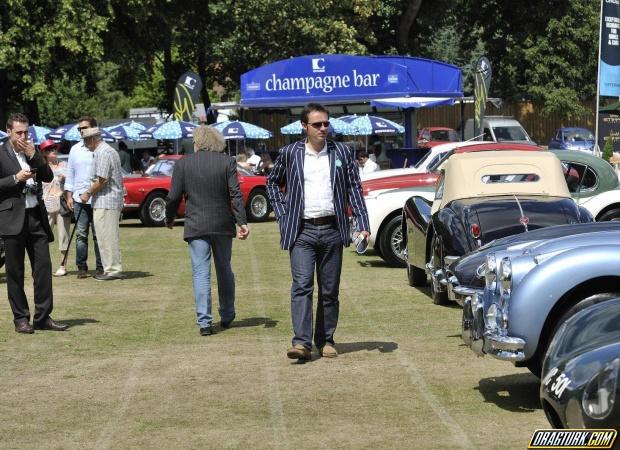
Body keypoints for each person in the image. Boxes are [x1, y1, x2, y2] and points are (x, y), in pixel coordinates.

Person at [266, 103, 370, 360]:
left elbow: (354, 188)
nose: (323, 128)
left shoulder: (342, 152)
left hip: (333, 228)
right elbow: (271, 183)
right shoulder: (290, 153)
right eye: (317, 124)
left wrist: (363, 224)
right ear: (305, 127)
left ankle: (325, 340)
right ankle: (301, 343)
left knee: (329, 289)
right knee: (302, 286)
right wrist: (282, 213)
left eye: (326, 123)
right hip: (301, 231)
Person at [165, 126, 250, 336]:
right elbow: (235, 194)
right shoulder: (227, 161)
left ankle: (204, 321)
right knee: (224, 269)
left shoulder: (183, 163)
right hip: (222, 223)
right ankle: (228, 314)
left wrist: (170, 217)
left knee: (200, 273)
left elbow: (173, 195)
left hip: (196, 224)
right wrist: (242, 221)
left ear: (198, 142)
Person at [0, 113, 68, 333]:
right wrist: (15, 179)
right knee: (15, 272)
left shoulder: (32, 152)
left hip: (36, 217)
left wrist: (35, 156)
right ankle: (21, 318)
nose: (23, 136)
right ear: (9, 131)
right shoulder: (1, 153)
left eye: (26, 132)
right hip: (12, 218)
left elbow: (48, 176)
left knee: (43, 268)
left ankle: (43, 317)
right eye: (19, 132)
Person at [79, 127, 124, 281]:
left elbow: (102, 180)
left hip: (107, 200)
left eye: (86, 140)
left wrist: (87, 193)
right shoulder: (105, 151)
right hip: (106, 200)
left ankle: (112, 270)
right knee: (104, 236)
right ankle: (109, 268)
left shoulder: (103, 153)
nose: (85, 144)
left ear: (93, 139)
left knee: (107, 236)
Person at [64, 116, 103, 278]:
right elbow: (70, 174)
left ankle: (101, 266)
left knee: (98, 234)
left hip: (98, 197)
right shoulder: (75, 149)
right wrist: (68, 196)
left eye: (84, 128)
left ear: (93, 128)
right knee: (81, 234)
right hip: (79, 198)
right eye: (79, 129)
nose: (81, 131)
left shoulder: (100, 148)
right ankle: (81, 267)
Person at [40, 139, 71, 276]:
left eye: (54, 148)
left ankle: (62, 265)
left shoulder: (64, 165)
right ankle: (43, 265)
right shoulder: (41, 167)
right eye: (49, 149)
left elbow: (71, 182)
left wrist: (66, 180)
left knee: (64, 235)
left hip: (62, 203)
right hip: (46, 204)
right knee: (43, 236)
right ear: (44, 153)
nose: (53, 151)